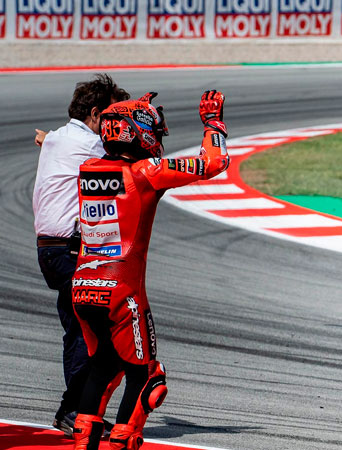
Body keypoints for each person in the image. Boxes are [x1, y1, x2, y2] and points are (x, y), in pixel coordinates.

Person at [71, 90, 230, 450]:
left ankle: (83, 445)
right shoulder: (145, 173)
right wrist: (213, 123)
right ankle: (122, 443)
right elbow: (214, 162)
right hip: (121, 292)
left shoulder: (88, 170)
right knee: (146, 378)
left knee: (103, 368)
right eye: (155, 132)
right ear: (138, 133)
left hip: (82, 287)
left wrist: (133, 112)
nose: (158, 140)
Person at [33, 74, 130, 435]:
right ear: (95, 114)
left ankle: (77, 409)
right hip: (70, 250)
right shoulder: (91, 145)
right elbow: (129, 168)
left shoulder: (58, 137)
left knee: (78, 328)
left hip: (50, 249)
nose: (116, 127)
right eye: (112, 118)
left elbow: (51, 142)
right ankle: (73, 410)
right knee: (94, 333)